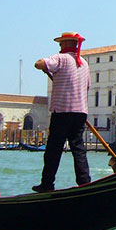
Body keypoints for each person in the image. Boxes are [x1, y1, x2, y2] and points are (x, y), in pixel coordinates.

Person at [33, 31, 91, 193]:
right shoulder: (84, 63)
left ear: (67, 44)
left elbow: (39, 63)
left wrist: (46, 67)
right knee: (78, 148)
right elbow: (86, 86)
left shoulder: (61, 58)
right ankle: (85, 183)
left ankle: (47, 184)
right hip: (80, 112)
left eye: (61, 43)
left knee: (53, 149)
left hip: (63, 111)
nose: (59, 46)